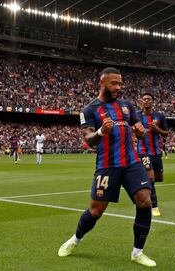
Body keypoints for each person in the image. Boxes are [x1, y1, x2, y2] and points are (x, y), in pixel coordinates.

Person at [58, 67, 156, 267]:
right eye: (114, 83)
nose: (118, 87)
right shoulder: (89, 110)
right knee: (95, 211)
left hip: (132, 162)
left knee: (145, 200)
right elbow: (88, 140)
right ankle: (75, 239)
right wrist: (102, 131)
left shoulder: (127, 106)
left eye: (120, 83)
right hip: (107, 165)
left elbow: (141, 134)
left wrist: (140, 132)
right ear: (102, 83)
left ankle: (138, 252)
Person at [137, 93, 168, 217]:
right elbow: (133, 131)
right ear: (141, 101)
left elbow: (165, 133)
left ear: (152, 101)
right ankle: (154, 206)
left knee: (158, 178)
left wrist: (157, 130)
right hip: (143, 152)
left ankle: (145, 186)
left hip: (156, 152)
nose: (146, 101)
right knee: (150, 177)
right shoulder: (137, 116)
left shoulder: (159, 116)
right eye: (144, 99)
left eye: (149, 99)